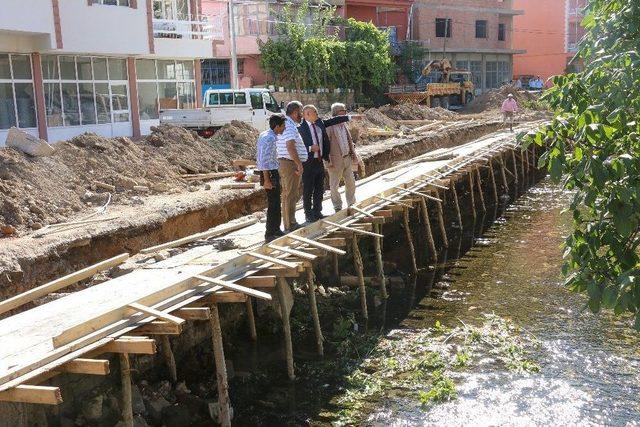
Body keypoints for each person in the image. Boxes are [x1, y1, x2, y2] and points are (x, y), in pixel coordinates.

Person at [297, 104, 350, 222]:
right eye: (314, 112)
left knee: (319, 188)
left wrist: (349, 117)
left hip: (319, 160)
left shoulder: (320, 123)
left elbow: (333, 120)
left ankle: (317, 211)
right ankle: (308, 214)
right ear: (307, 114)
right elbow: (296, 146)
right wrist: (310, 148)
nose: (317, 114)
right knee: (308, 189)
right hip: (308, 162)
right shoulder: (300, 128)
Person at [276, 101, 306, 233]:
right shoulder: (289, 125)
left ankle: (290, 222)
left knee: (291, 193)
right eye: (301, 112)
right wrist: (298, 163)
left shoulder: (288, 124)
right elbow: (290, 146)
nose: (302, 115)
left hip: (288, 162)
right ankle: (290, 224)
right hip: (289, 163)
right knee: (290, 194)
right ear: (295, 113)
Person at [256, 114, 286, 242]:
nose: (284, 128)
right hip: (269, 174)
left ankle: (276, 229)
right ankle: (269, 233)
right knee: (273, 204)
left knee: (276, 202)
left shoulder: (268, 135)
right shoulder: (269, 138)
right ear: (277, 126)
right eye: (283, 126)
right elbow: (263, 161)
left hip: (272, 171)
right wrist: (267, 180)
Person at [325, 102, 357, 213]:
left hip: (346, 158)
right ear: (336, 113)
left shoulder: (344, 125)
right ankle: (337, 206)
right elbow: (325, 145)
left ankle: (351, 203)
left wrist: (353, 154)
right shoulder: (329, 127)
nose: (345, 114)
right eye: (342, 112)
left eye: (345, 111)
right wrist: (327, 162)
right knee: (334, 185)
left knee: (351, 182)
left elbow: (349, 140)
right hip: (335, 161)